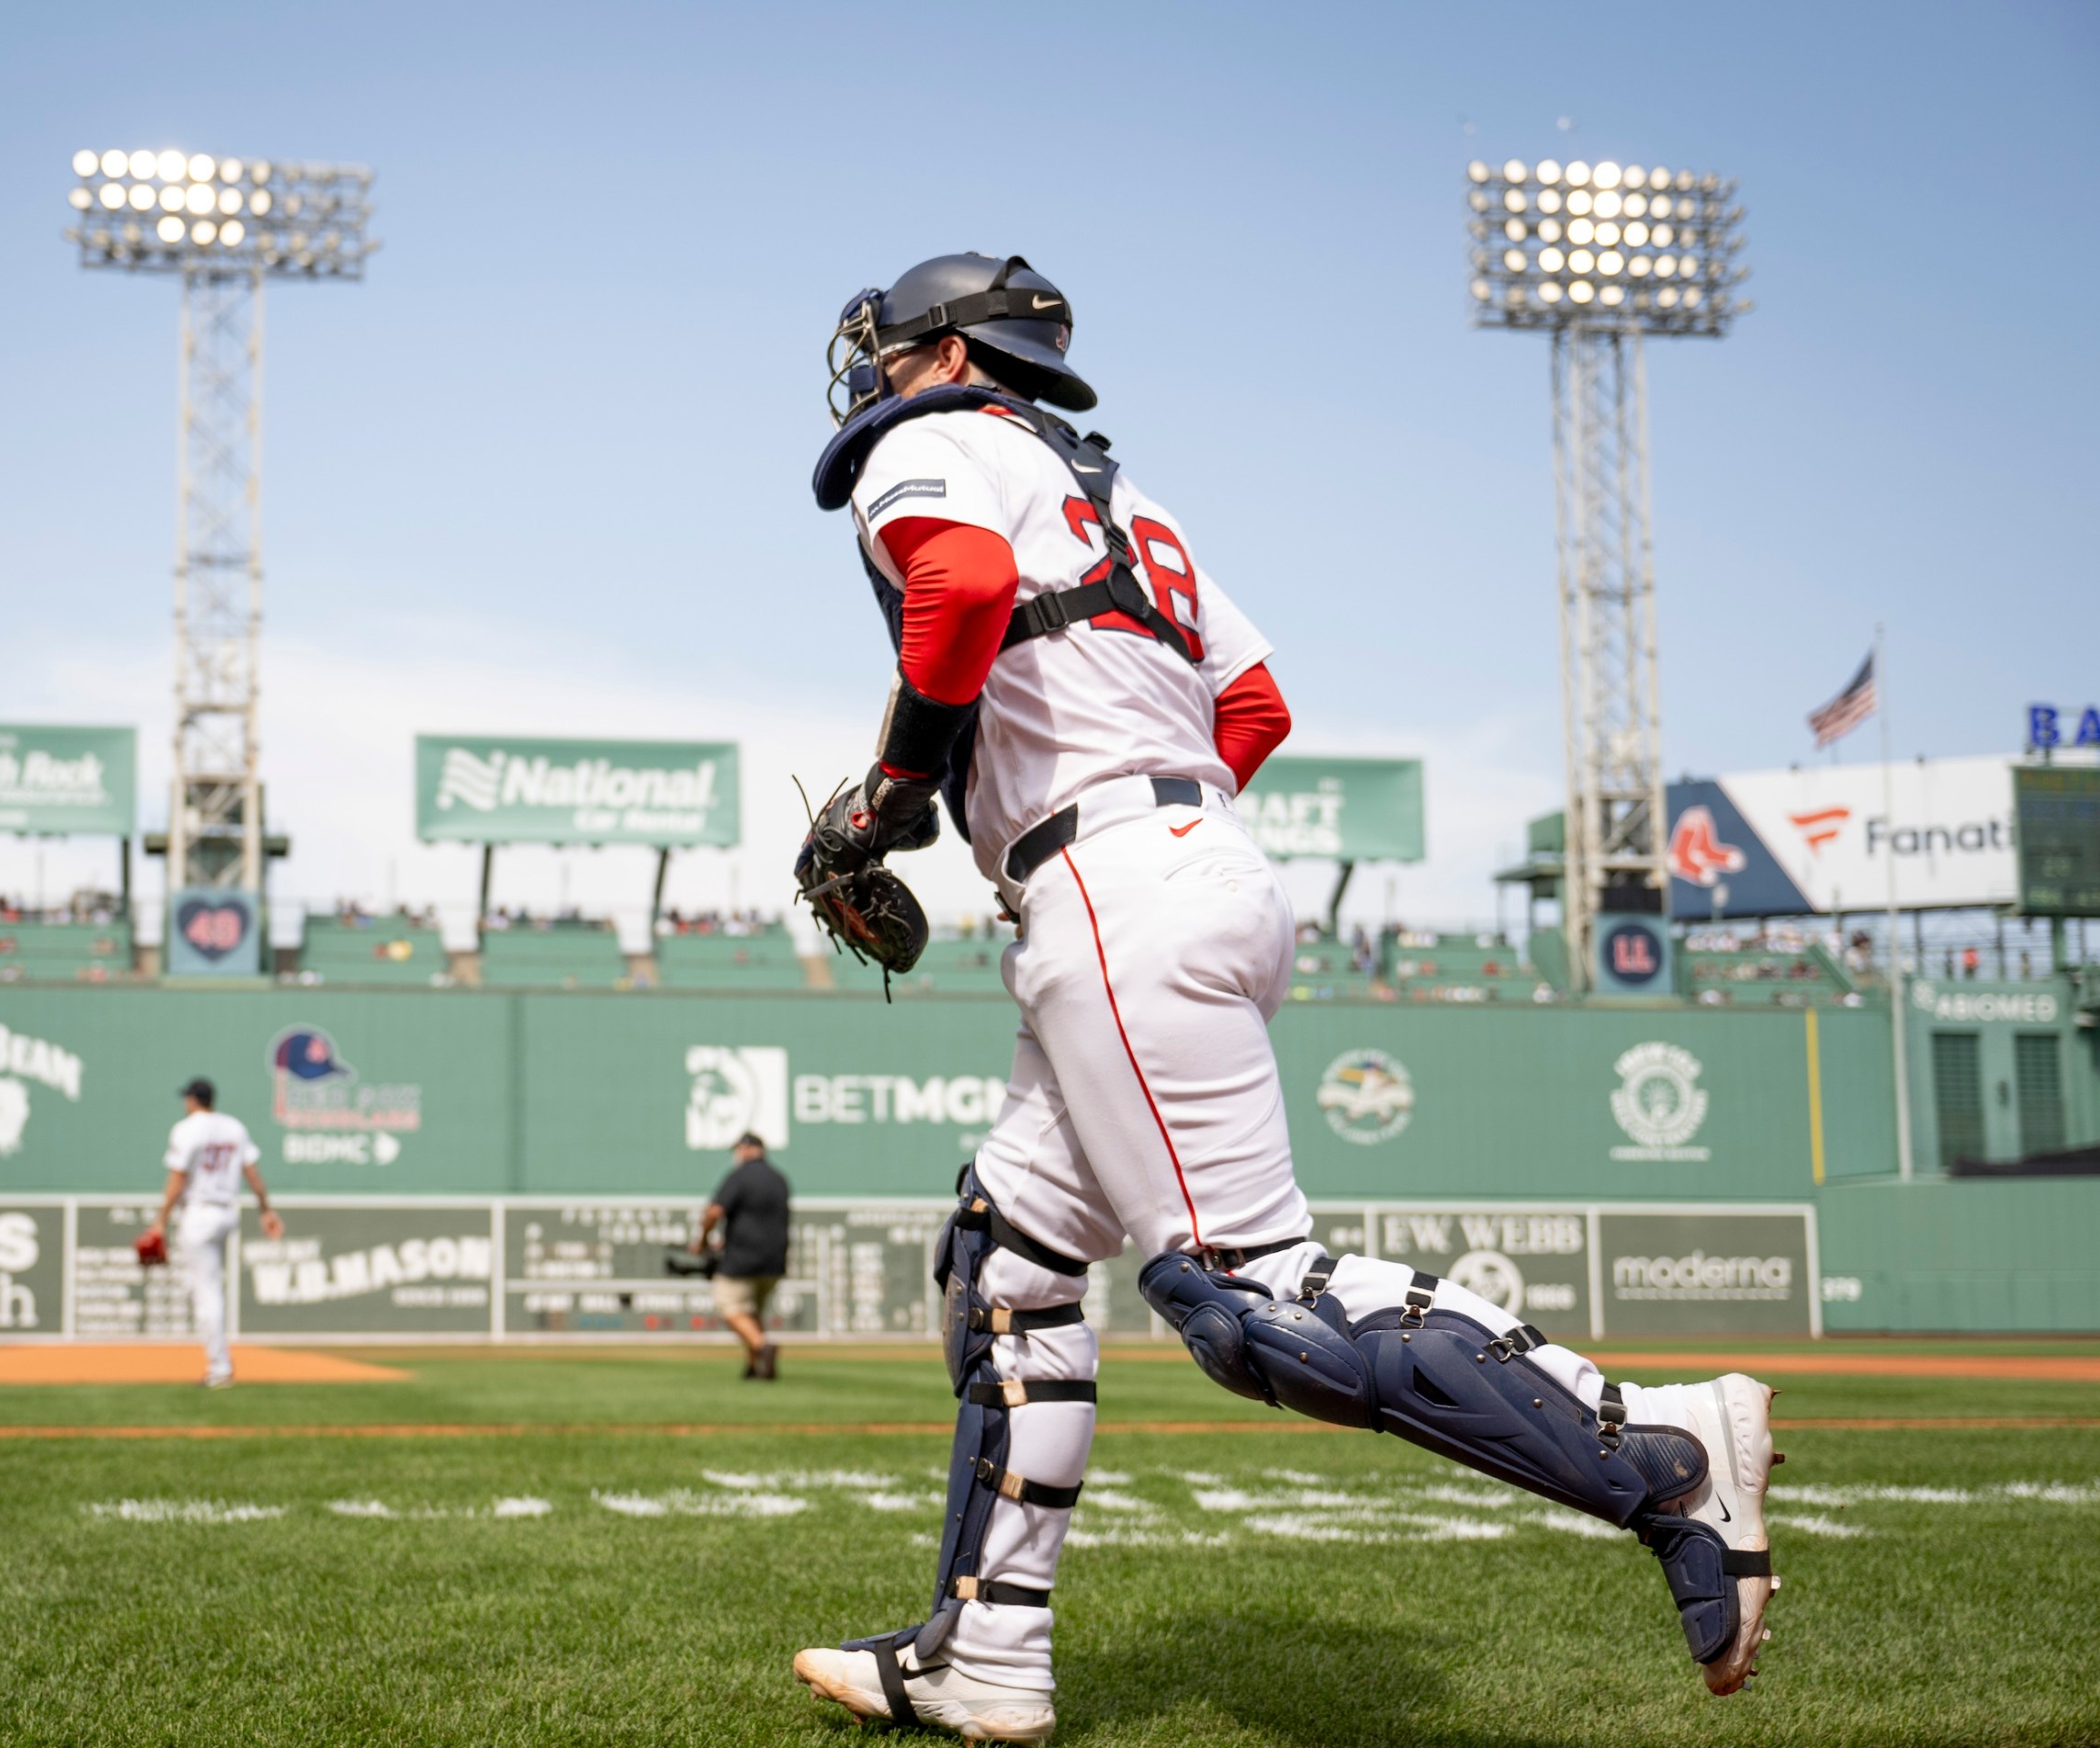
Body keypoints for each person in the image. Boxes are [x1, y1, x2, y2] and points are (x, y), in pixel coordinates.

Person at [790, 253, 1780, 1743]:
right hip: (1187, 870)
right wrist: (1154, 822)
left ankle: (1659, 1446)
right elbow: (1255, 706)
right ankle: (983, 1653)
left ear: (943, 355)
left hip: (1121, 894)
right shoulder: (1126, 501)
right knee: (1010, 1261)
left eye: (882, 356)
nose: (866, 384)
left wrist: (906, 796)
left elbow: (967, 584)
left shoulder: (936, 443)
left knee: (1245, 1292)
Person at [137, 1078, 281, 1389]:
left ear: (192, 1100)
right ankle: (219, 1364)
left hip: (200, 1213)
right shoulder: (234, 1127)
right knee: (207, 1287)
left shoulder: (187, 1128)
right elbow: (252, 1174)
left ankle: (219, 1368)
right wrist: (266, 1210)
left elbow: (177, 1179)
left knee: (206, 1294)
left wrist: (160, 1221)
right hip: (227, 1212)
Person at [689, 1132, 791, 1379]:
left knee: (731, 1306)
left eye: (739, 1149)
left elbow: (714, 1212)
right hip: (775, 1261)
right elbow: (763, 1221)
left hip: (742, 1259)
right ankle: (754, 1366)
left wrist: (702, 1241)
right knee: (753, 1313)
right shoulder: (779, 1179)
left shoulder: (740, 1176)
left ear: (747, 1150)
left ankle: (761, 1346)